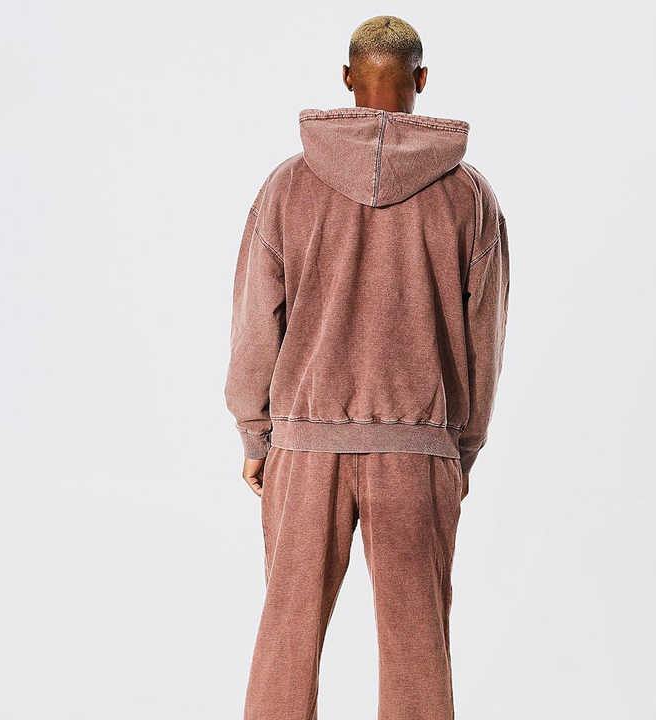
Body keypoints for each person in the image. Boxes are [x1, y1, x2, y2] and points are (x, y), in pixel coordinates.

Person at [225, 15, 509, 720]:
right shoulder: (468, 197)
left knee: (286, 636)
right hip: (418, 448)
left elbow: (255, 319)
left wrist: (255, 432)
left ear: (347, 78)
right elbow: (484, 340)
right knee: (418, 646)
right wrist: (463, 446)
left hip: (303, 445)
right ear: (422, 80)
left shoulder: (287, 187)